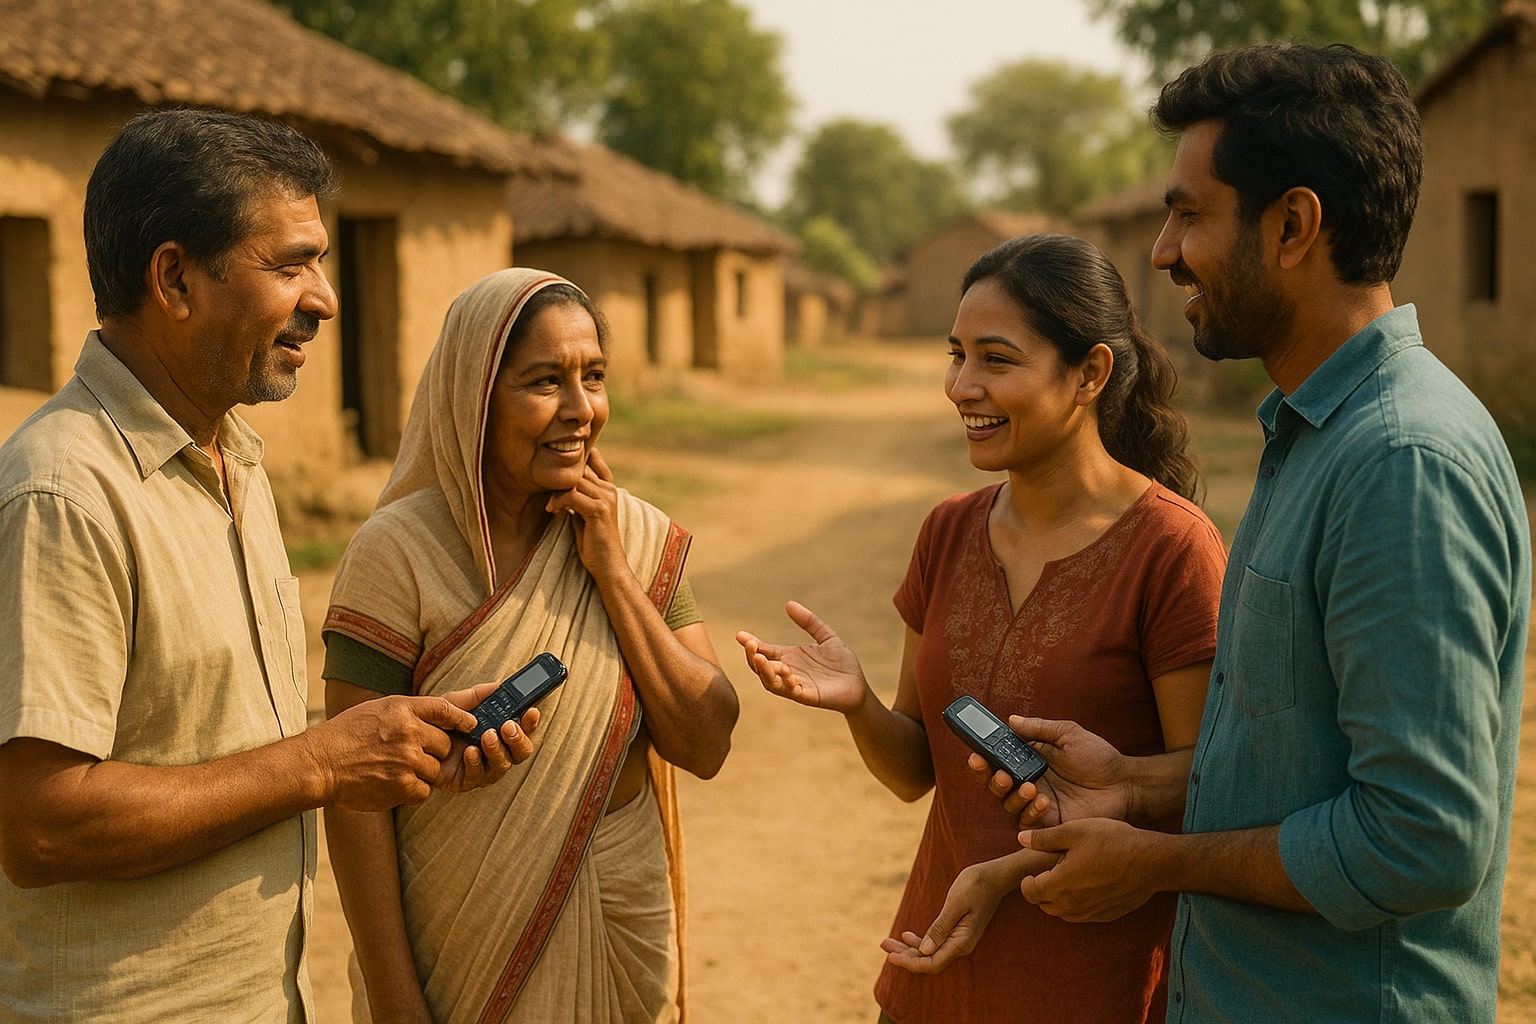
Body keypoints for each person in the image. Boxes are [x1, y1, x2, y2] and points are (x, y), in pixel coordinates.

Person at [997, 44, 1531, 1023]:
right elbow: (1300, 763)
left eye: (1189, 214)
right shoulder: (1317, 435)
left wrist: (1158, 864)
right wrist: (1140, 787)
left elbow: (1424, 837)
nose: (1161, 250)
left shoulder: (1401, 461)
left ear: (1293, 225)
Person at [0, 108, 528, 1024]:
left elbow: (224, 750)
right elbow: (40, 823)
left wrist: (394, 758)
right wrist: (322, 764)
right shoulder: (64, 493)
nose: (324, 298)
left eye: (319, 262)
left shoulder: (234, 460)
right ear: (174, 278)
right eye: (288, 264)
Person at [736, 233, 1228, 1023]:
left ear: (1091, 374)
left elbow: (1209, 785)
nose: (962, 385)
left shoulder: (1171, 548)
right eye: (957, 355)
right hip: (934, 968)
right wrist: (859, 703)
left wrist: (1012, 870)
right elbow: (914, 773)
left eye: (996, 360)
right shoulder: (948, 532)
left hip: (1091, 981)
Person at [321, 266, 740, 1023]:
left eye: (595, 377)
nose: (580, 410)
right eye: (545, 381)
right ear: (475, 395)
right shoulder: (399, 553)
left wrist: (613, 574)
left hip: (618, 915)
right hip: (453, 934)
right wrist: (392, 993)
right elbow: (355, 798)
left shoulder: (635, 538)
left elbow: (707, 741)